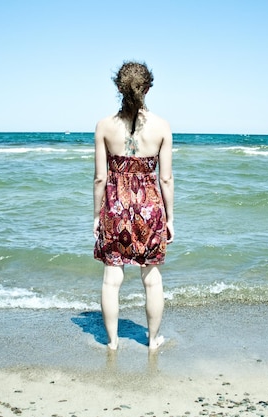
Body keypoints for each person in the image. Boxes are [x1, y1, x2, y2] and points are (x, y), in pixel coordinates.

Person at [93, 61, 174, 351]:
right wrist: (170, 219)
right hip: (150, 208)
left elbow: (101, 177)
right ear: (148, 87)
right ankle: (152, 341)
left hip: (115, 208)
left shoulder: (104, 126)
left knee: (111, 280)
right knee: (151, 279)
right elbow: (165, 178)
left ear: (118, 88)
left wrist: (96, 216)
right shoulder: (162, 127)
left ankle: (112, 342)